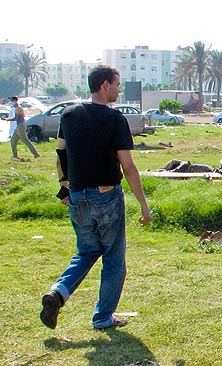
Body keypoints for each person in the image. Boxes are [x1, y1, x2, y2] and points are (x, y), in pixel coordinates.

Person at [40, 65, 152, 331]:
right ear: (104, 85)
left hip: (77, 196)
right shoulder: (115, 119)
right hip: (106, 196)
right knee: (113, 259)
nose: (119, 89)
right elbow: (128, 165)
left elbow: (61, 155)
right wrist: (144, 204)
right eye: (117, 84)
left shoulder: (69, 115)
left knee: (87, 251)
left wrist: (65, 188)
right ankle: (103, 317)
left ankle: (57, 294)